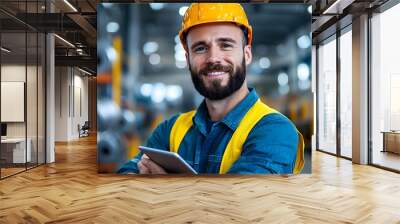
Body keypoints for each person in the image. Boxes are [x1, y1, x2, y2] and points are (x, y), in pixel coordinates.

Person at [118, 3, 304, 174]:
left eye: (225, 45)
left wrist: (167, 187)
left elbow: (241, 203)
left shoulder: (275, 131)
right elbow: (126, 177)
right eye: (200, 48)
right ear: (188, 59)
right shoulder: (171, 129)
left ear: (246, 55)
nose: (214, 58)